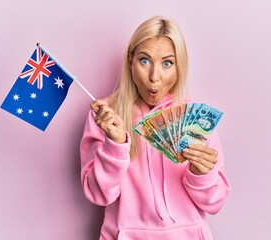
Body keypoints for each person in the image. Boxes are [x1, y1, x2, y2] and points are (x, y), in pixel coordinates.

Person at [80, 16, 231, 240]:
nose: (154, 77)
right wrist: (116, 145)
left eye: (167, 63)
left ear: (180, 66)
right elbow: (98, 194)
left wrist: (202, 173)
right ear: (130, 60)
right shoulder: (106, 116)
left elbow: (215, 202)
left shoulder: (196, 119)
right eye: (144, 60)